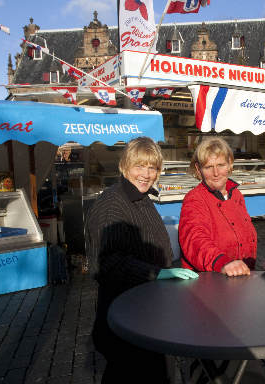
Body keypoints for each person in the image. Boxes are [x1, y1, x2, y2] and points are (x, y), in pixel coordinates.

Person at [85, 137, 198, 383]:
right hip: (126, 320)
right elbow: (106, 263)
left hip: (147, 314)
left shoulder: (141, 198)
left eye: (152, 167)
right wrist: (156, 273)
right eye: (140, 166)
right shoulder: (112, 204)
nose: (146, 174)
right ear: (125, 167)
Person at [179, 137, 257, 276]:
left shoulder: (236, 195)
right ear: (198, 169)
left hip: (242, 279)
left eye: (221, 165)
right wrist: (221, 262)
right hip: (211, 282)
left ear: (230, 164)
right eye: (208, 167)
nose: (216, 173)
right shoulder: (195, 199)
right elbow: (194, 239)